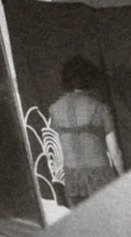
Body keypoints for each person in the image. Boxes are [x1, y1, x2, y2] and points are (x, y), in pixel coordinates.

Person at [46, 56, 125, 206]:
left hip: (73, 180)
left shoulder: (54, 109)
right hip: (100, 177)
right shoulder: (100, 108)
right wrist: (123, 178)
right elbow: (115, 152)